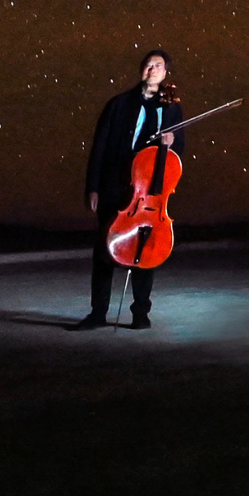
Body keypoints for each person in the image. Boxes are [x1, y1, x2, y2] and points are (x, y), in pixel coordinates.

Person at [74, 50, 183, 328]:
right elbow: (99, 146)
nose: (152, 69)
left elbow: (177, 154)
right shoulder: (119, 104)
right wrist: (93, 186)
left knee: (147, 253)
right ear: (141, 70)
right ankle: (98, 314)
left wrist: (171, 142)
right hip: (115, 186)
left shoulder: (172, 109)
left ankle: (140, 314)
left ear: (165, 73)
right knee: (104, 251)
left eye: (158, 66)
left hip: (149, 193)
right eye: (148, 65)